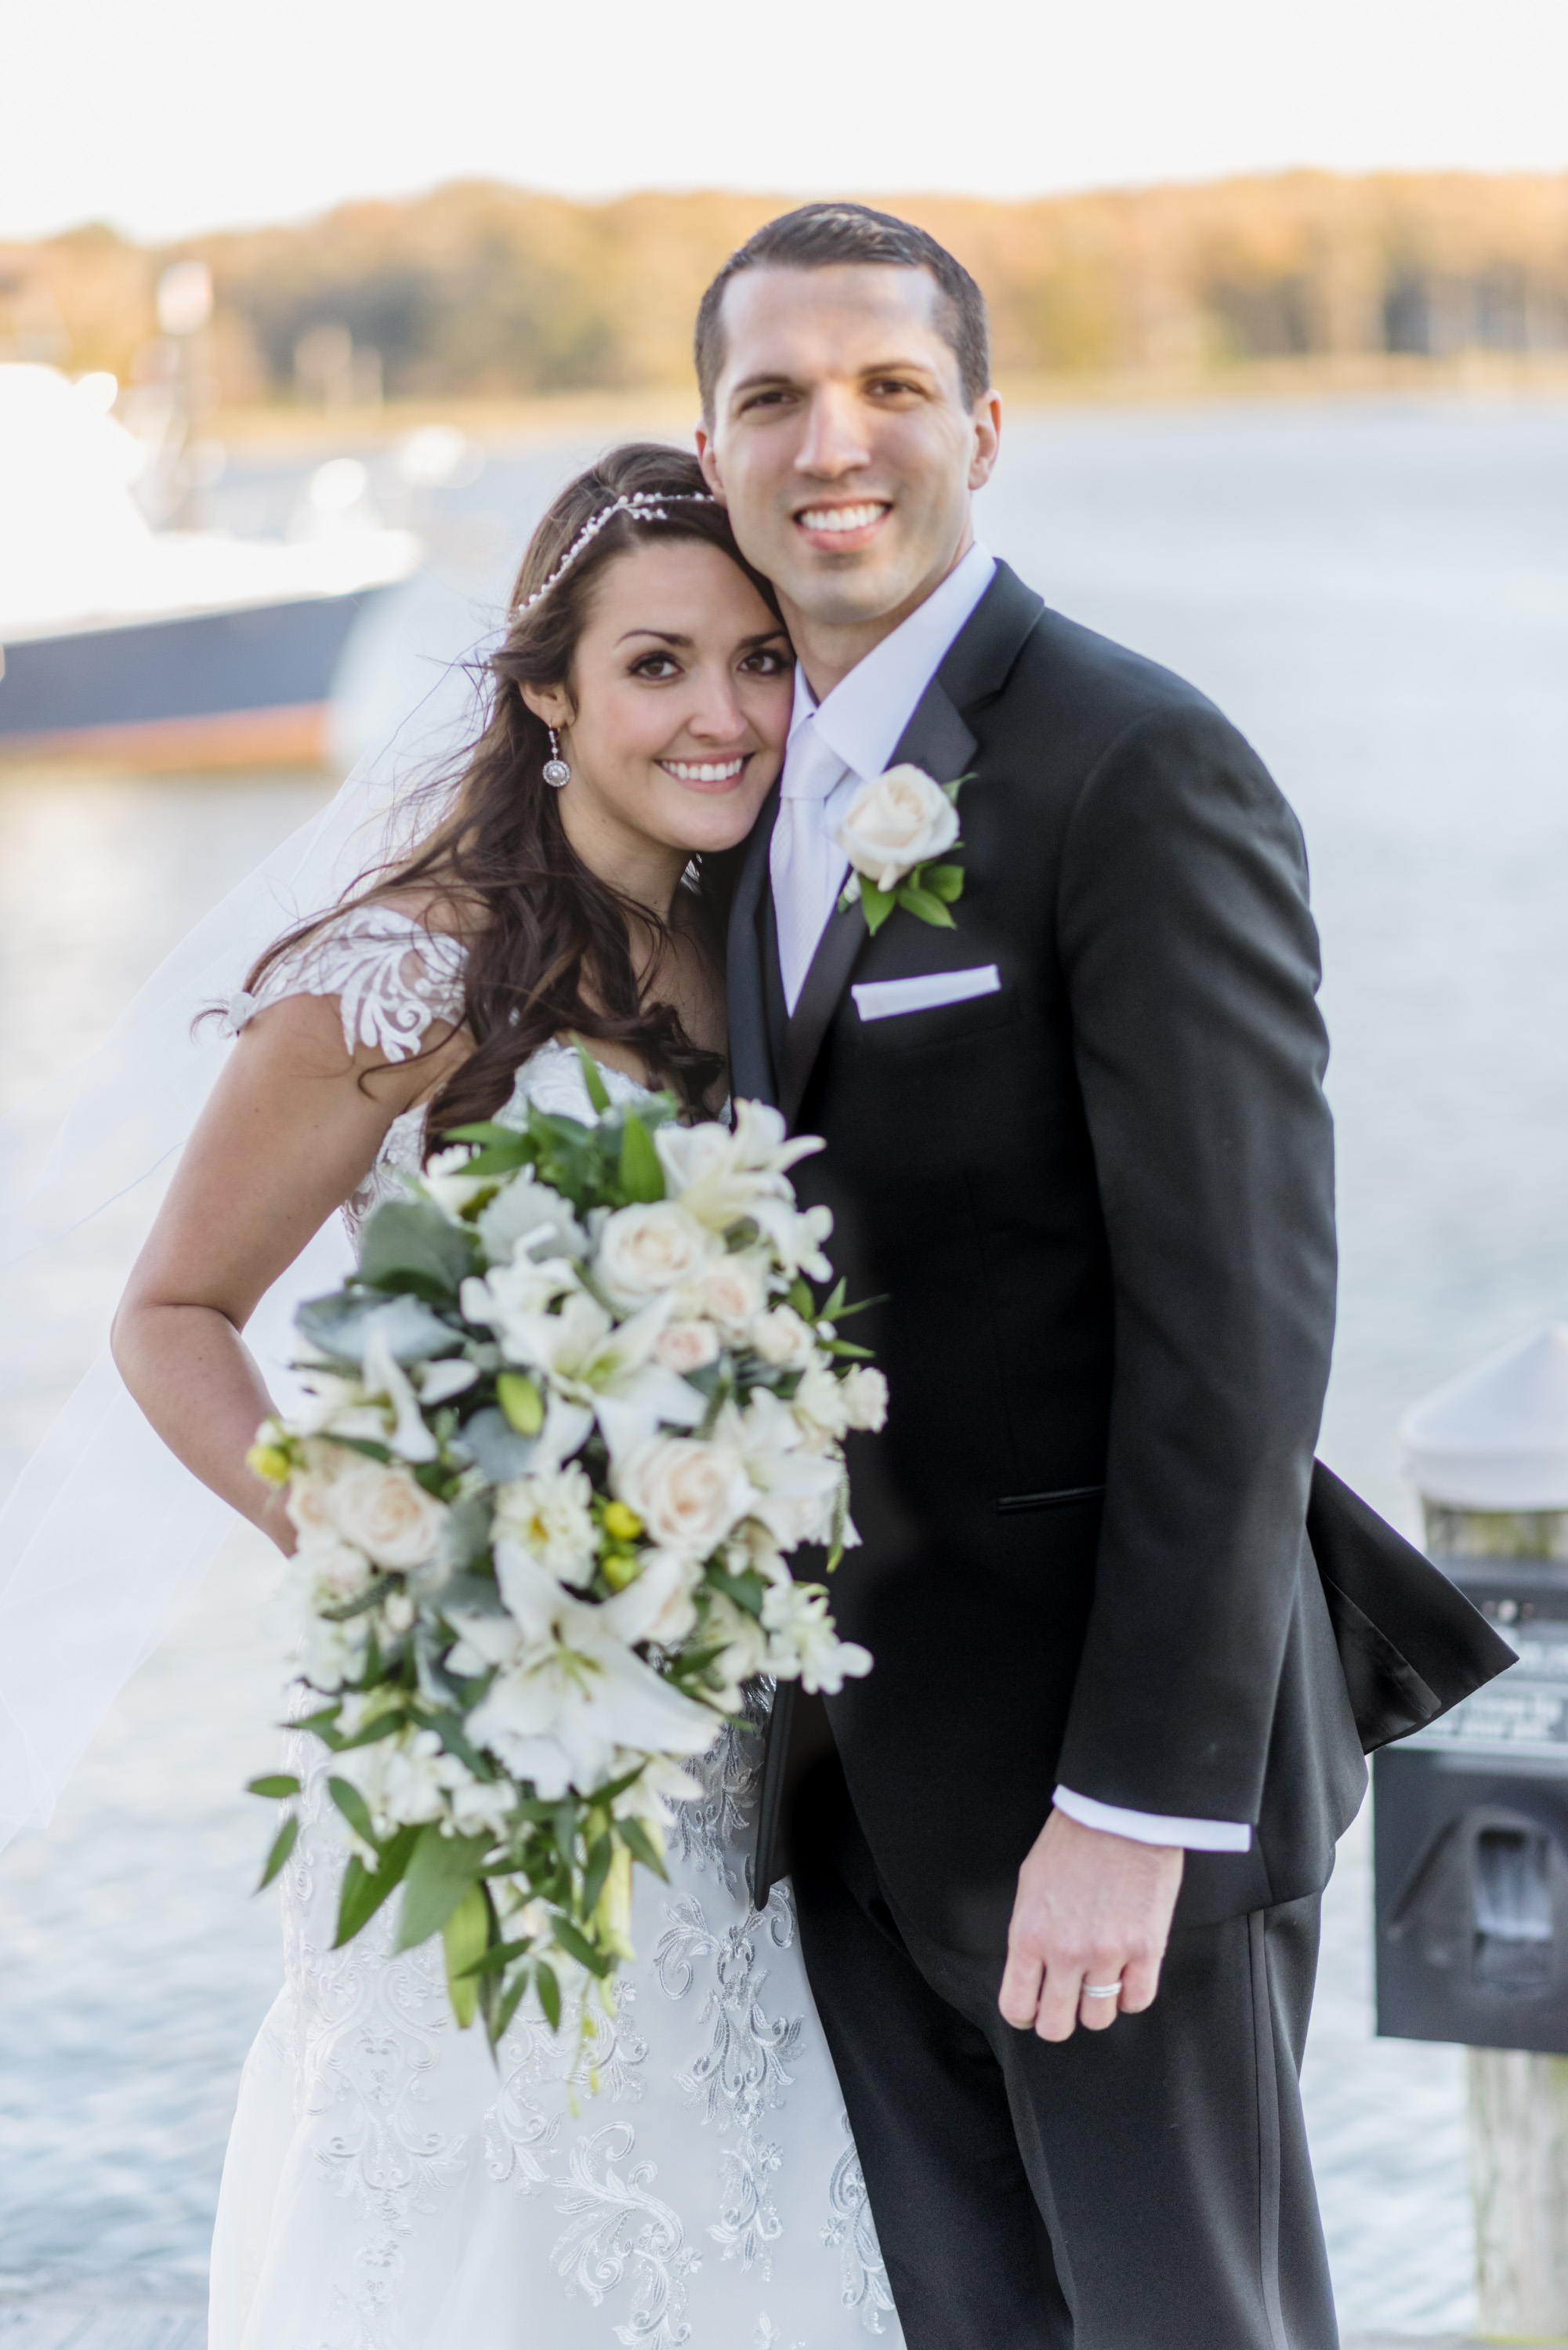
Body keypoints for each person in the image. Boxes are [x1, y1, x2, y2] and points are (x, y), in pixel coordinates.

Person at [695, 202, 1505, 2350]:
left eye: (887, 385)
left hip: (1110, 1796)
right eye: (773, 396)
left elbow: (1236, 1328)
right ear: (710, 453)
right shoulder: (739, 798)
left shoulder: (1130, 762)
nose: (831, 441)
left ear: (982, 426)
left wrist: (1134, 1808)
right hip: (856, 1793)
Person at [110, 444, 905, 2350]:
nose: (721, 714)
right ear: (547, 689)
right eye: (655, 664)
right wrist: (383, 1544)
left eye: (759, 660)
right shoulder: (410, 969)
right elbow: (172, 1312)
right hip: (479, 1723)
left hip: (730, 1761)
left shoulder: (770, 943)